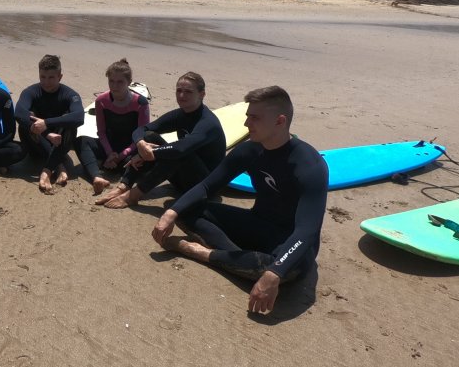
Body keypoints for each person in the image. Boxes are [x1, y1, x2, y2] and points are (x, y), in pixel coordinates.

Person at [151, 86, 328, 314]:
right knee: (183, 209)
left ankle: (204, 253)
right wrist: (171, 214)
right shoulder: (250, 151)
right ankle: (238, 260)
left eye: (254, 118)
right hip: (257, 224)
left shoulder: (309, 165)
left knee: (277, 269)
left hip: (291, 242)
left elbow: (307, 230)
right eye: (247, 116)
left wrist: (274, 273)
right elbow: (207, 186)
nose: (246, 124)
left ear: (280, 121)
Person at [97, 72, 225, 209]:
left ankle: (133, 195)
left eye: (188, 91)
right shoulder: (181, 114)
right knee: (150, 137)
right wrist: (141, 144)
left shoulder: (208, 123)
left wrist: (150, 152)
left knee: (179, 152)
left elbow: (181, 148)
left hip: (204, 186)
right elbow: (143, 129)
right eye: (179, 90)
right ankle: (124, 186)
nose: (181, 95)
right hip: (180, 179)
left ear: (202, 94)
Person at [77, 58, 150, 195]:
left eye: (120, 82)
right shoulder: (101, 101)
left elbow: (142, 136)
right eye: (111, 81)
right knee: (81, 140)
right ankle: (97, 177)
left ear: (129, 82)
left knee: (143, 158)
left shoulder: (140, 103)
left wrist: (121, 155)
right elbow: (102, 132)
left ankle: (119, 174)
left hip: (130, 149)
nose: (115, 86)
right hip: (109, 147)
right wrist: (110, 153)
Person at [15, 54, 84, 193]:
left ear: (60, 76)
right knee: (27, 121)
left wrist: (46, 123)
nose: (46, 82)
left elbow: (79, 117)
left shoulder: (69, 94)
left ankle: (46, 170)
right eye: (43, 77)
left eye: (51, 77)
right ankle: (59, 165)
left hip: (60, 142)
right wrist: (46, 133)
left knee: (70, 123)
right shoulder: (31, 92)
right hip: (36, 144)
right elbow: (19, 113)